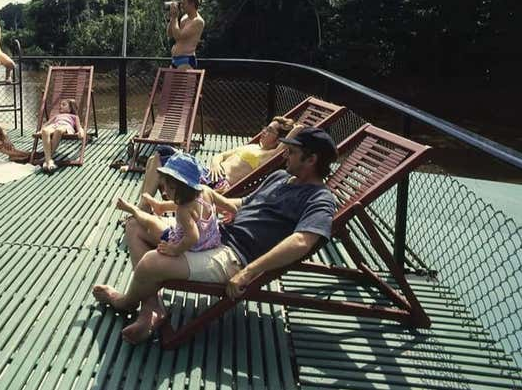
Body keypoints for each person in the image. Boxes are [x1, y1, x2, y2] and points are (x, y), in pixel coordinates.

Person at [92, 127, 338, 344]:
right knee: (136, 224)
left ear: (311, 159)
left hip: (234, 257)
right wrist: (202, 201)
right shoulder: (281, 178)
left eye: (292, 152)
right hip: (217, 234)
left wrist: (248, 272)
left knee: (150, 264)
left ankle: (124, 302)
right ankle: (151, 307)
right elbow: (241, 203)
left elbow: (302, 241)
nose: (284, 154)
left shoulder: (320, 200)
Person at [135, 116, 301, 211]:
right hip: (208, 171)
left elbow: (282, 149)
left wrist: (296, 130)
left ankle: (142, 208)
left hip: (215, 183)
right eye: (265, 128)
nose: (263, 132)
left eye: (269, 131)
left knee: (159, 156)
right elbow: (221, 155)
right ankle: (143, 207)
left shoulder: (269, 155)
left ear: (279, 139)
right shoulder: (253, 146)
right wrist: (215, 164)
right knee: (155, 158)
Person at [116, 153, 221, 256]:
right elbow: (230, 206)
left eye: (165, 186)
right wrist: (232, 214)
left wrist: (174, 250)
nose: (164, 191)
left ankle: (133, 210)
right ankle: (160, 206)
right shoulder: (202, 195)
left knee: (151, 222)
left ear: (173, 187)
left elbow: (193, 237)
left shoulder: (182, 211)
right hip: (210, 241)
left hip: (188, 246)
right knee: (165, 212)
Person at [39, 98, 85, 172]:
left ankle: (47, 160)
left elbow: (79, 127)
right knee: (45, 131)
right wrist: (41, 130)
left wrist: (80, 132)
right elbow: (46, 124)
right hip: (55, 125)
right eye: (60, 104)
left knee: (59, 130)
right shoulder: (57, 116)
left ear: (70, 108)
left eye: (63, 105)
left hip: (65, 127)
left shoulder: (74, 117)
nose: (60, 106)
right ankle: (49, 160)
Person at [166, 0, 205, 70]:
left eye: (184, 3)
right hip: (175, 59)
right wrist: (172, 18)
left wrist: (175, 18)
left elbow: (178, 37)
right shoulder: (184, 18)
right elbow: (170, 34)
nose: (182, 6)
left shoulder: (198, 21)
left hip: (186, 60)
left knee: (179, 83)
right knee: (168, 82)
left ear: (192, 4)